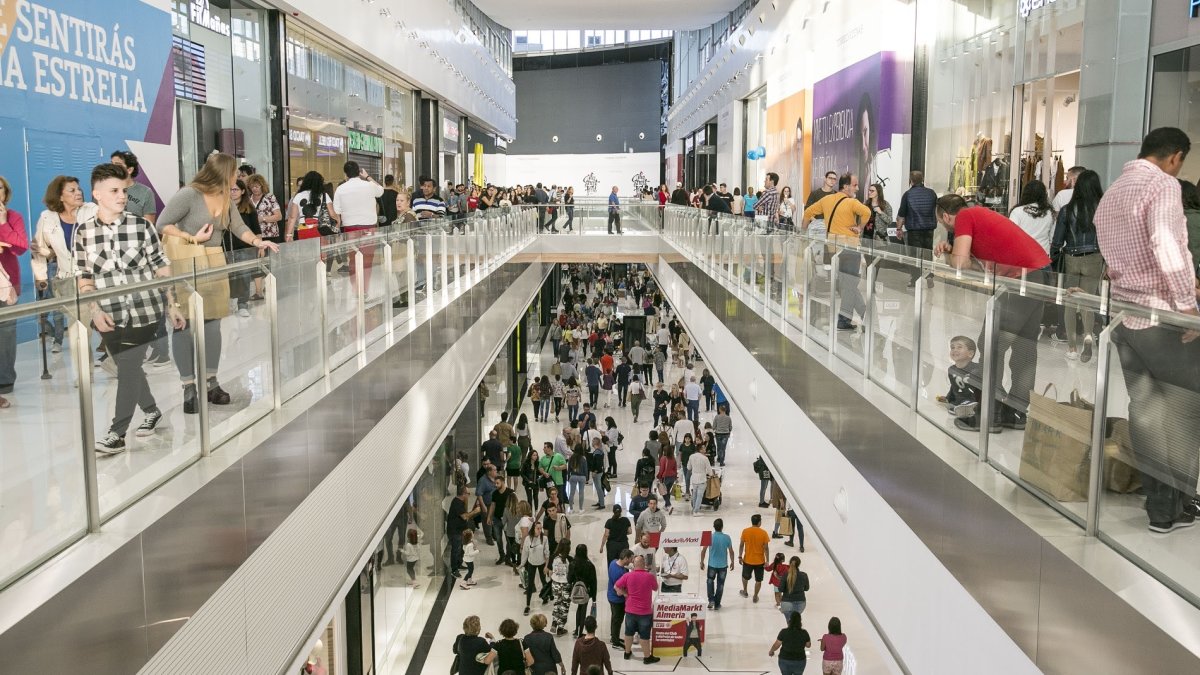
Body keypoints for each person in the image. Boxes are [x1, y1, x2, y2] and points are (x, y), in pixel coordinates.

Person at [1095, 127, 1200, 534]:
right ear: (1174, 157)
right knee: (1188, 409)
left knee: (1146, 412)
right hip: (1162, 317)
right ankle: (1182, 504)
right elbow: (1167, 244)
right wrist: (1187, 307)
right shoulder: (1162, 186)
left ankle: (1158, 508)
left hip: (1124, 317)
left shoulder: (1115, 191)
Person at [157, 153, 281, 409]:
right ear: (223, 172)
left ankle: (211, 381)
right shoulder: (189, 194)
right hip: (186, 259)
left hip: (213, 260)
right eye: (234, 172)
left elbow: (238, 227)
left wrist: (259, 241)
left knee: (212, 323)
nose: (238, 176)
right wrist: (191, 238)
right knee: (185, 324)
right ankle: (189, 386)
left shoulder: (226, 198)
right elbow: (162, 223)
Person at [75, 164, 183, 451]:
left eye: (124, 190)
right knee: (128, 366)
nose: (122, 196)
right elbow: (84, 277)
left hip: (145, 309)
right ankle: (152, 410)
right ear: (97, 194)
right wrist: (94, 311)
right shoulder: (83, 233)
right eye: (114, 191)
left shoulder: (142, 226)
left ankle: (117, 432)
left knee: (129, 366)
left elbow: (162, 268)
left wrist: (173, 304)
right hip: (107, 313)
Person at [934, 194, 1052, 430]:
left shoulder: (966, 215)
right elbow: (975, 267)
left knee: (990, 343)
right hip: (1040, 273)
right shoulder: (979, 217)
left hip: (1021, 280)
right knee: (1024, 346)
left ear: (946, 216)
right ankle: (1016, 411)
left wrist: (951, 254)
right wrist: (954, 252)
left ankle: (990, 412)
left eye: (942, 222)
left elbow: (960, 266)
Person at [802, 173, 873, 331]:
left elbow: (807, 213)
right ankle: (850, 318)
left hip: (833, 248)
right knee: (849, 283)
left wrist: (802, 231)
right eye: (854, 185)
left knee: (846, 283)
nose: (857, 188)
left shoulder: (826, 200)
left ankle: (856, 316)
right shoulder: (851, 202)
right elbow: (867, 213)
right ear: (846, 186)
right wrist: (859, 227)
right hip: (850, 247)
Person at [1050, 169, 1105, 361]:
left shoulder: (1067, 209)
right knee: (1088, 301)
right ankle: (1088, 338)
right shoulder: (1103, 208)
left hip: (1071, 258)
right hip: (1094, 258)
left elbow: (1057, 240)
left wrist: (1055, 258)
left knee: (1070, 303)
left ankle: (1072, 348)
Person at [32, 175, 84, 354]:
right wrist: (40, 276)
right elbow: (38, 249)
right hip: (63, 274)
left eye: (79, 189)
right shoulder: (47, 218)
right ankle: (60, 341)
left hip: (90, 276)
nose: (78, 193)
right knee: (64, 316)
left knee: (95, 322)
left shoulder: (89, 211)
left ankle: (113, 360)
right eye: (72, 190)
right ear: (60, 196)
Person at [614, 555, 661, 665]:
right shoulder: (649, 577)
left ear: (634, 565)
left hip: (630, 610)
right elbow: (655, 588)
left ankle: (627, 653)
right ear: (644, 564)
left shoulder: (627, 576)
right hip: (645, 612)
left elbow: (616, 587)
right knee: (644, 636)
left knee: (628, 633)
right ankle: (647, 657)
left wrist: (625, 593)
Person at [895, 170, 938, 284]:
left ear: (911, 181)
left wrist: (899, 229)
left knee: (914, 255)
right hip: (929, 228)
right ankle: (929, 275)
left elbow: (902, 214)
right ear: (922, 179)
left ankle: (915, 279)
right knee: (928, 252)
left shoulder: (908, 194)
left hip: (914, 229)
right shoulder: (932, 193)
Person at [226, 179, 260, 317]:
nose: (232, 192)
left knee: (244, 277)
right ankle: (228, 302)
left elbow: (256, 229)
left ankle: (242, 304)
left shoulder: (249, 208)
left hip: (245, 248)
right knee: (228, 277)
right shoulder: (223, 207)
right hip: (227, 248)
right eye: (230, 189)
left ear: (243, 191)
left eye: (235, 190)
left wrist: (260, 245)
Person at [246, 173, 283, 299]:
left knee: (271, 262)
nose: (255, 189)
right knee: (257, 263)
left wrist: (263, 219)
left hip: (270, 234)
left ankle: (270, 286)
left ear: (262, 186)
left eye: (257, 186)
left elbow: (279, 216)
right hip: (255, 236)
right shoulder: (248, 200)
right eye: (253, 186)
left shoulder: (270, 197)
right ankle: (258, 291)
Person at [285, 170, 338, 240]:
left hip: (303, 229)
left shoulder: (298, 196)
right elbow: (332, 214)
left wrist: (289, 234)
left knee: (305, 250)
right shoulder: (324, 195)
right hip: (321, 229)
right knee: (320, 250)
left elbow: (292, 217)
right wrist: (338, 221)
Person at [109, 151, 158, 223]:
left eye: (117, 165)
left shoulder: (145, 192)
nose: (112, 168)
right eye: (111, 164)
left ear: (129, 170)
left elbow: (149, 224)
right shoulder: (104, 189)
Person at [1009, 180, 1055, 254]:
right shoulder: (1049, 213)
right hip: (1043, 254)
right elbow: (1052, 237)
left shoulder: (1017, 211)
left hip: (1023, 254)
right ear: (1044, 195)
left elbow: (1011, 234)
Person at [700, 517, 735, 610]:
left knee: (710, 581)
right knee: (720, 584)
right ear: (722, 527)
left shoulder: (709, 537)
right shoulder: (727, 538)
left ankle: (711, 599)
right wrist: (732, 562)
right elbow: (731, 551)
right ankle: (717, 603)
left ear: (714, 527)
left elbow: (703, 550)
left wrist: (702, 561)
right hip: (723, 566)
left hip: (712, 565)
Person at [447, 483, 481, 578]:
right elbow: (465, 516)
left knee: (460, 549)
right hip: (454, 531)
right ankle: (454, 569)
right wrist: (475, 511)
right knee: (455, 550)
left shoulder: (460, 502)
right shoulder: (457, 503)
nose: (469, 496)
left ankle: (458, 564)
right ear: (463, 494)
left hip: (459, 530)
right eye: (468, 494)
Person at [567, 543, 598, 637]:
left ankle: (577, 630)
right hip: (586, 591)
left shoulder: (572, 564)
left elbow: (569, 579)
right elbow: (594, 582)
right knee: (583, 608)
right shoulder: (590, 565)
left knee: (579, 609)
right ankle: (580, 632)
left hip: (576, 590)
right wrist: (594, 597)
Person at [739, 513, 771, 603]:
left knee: (745, 577)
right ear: (759, 522)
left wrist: (740, 556)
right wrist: (767, 560)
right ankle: (755, 596)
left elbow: (741, 545)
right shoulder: (763, 533)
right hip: (760, 561)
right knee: (758, 580)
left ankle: (745, 591)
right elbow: (766, 548)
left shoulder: (745, 531)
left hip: (747, 560)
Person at [521, 521, 551, 615]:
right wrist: (522, 564)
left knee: (544, 581)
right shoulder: (528, 539)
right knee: (530, 584)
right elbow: (525, 552)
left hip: (542, 563)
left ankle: (546, 597)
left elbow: (547, 553)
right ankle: (527, 605)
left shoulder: (544, 538)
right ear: (533, 528)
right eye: (537, 528)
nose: (539, 530)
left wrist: (547, 566)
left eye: (540, 528)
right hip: (531, 563)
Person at [605, 549, 632, 649]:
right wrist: (628, 595)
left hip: (610, 596)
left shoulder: (613, 562)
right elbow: (619, 591)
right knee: (618, 620)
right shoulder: (620, 573)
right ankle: (616, 642)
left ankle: (614, 637)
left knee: (614, 618)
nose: (631, 561)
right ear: (625, 558)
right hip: (617, 600)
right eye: (630, 559)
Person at [549, 540, 573, 635]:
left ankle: (554, 622)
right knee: (564, 606)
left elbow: (552, 571)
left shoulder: (553, 557)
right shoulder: (568, 559)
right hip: (565, 585)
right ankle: (561, 628)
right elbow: (562, 573)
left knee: (557, 604)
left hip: (555, 584)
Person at [779, 556, 809, 622]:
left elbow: (780, 589)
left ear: (790, 563)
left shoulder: (785, 575)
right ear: (799, 564)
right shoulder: (804, 575)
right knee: (795, 622)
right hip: (800, 602)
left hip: (786, 603)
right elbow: (807, 588)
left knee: (789, 622)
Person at [687, 443, 713, 515]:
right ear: (700, 449)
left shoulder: (691, 456)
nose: (705, 449)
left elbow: (688, 467)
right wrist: (710, 474)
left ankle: (694, 509)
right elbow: (709, 470)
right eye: (704, 448)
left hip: (694, 478)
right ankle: (696, 511)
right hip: (702, 479)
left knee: (694, 495)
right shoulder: (705, 458)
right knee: (699, 496)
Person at [656, 446, 678, 510]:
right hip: (672, 477)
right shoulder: (673, 458)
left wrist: (659, 476)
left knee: (663, 492)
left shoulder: (663, 458)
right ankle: (666, 506)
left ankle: (669, 505)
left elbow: (662, 469)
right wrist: (675, 477)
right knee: (667, 491)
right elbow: (675, 469)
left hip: (665, 477)